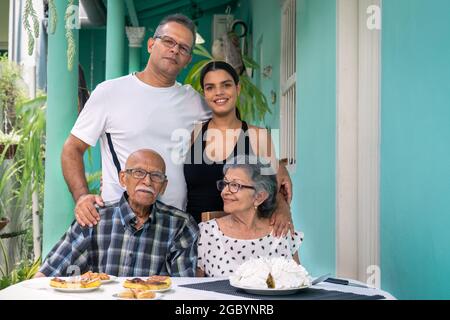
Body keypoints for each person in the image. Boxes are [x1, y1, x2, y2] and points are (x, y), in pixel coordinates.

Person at [62, 14, 211, 228]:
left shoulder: (194, 102)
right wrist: (82, 197)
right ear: (151, 44)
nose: (175, 50)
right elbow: (72, 149)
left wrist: (277, 192)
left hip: (174, 225)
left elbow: (232, 135)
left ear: (187, 60)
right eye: (168, 41)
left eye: (184, 48)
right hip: (119, 221)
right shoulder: (110, 92)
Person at [35, 149, 198, 278]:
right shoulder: (93, 217)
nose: (147, 181)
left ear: (163, 186)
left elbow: (182, 288)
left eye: (156, 176)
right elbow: (49, 273)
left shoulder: (180, 225)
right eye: (138, 173)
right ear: (123, 179)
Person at [183, 61, 293, 236]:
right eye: (210, 87)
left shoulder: (258, 136)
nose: (219, 92)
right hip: (194, 236)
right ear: (205, 94)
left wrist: (283, 208)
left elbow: (273, 187)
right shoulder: (194, 134)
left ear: (237, 89)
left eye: (226, 85)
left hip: (243, 239)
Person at [196, 156, 303, 277]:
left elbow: (299, 282)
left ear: (259, 197)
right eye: (225, 184)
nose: (224, 192)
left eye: (235, 185)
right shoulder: (206, 233)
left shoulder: (281, 230)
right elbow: (195, 289)